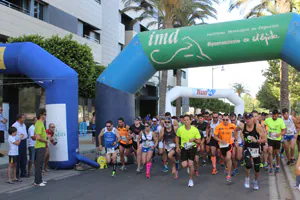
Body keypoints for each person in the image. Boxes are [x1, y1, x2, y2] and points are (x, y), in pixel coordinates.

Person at [236, 113, 266, 190]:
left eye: (249, 118)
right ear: (245, 119)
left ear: (252, 119)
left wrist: (256, 140)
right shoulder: (243, 126)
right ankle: (247, 179)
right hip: (247, 148)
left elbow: (264, 139)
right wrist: (237, 139)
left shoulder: (257, 127)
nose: (248, 120)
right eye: (246, 118)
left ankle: (255, 181)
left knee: (257, 168)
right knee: (248, 164)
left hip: (256, 149)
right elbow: (235, 130)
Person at [176, 115, 201, 187]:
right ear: (183, 121)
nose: (186, 121)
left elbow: (199, 141)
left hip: (192, 148)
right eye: (185, 120)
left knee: (190, 164)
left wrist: (194, 140)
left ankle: (191, 180)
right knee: (184, 165)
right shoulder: (180, 129)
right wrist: (177, 146)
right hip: (184, 148)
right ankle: (188, 167)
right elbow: (177, 137)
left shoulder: (195, 129)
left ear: (190, 121)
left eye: (187, 120)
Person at [214, 113, 236, 184]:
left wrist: (235, 138)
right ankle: (226, 167)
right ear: (222, 119)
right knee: (225, 158)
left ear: (229, 119)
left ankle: (229, 176)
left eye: (227, 120)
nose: (225, 121)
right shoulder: (218, 126)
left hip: (229, 144)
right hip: (222, 145)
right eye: (224, 120)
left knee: (229, 157)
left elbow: (237, 130)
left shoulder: (232, 125)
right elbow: (215, 136)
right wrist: (220, 141)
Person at [264, 110, 286, 174]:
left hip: (277, 139)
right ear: (272, 115)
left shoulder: (280, 121)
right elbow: (263, 125)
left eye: (275, 116)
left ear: (278, 115)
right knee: (270, 151)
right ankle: (271, 166)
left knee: (277, 153)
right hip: (270, 138)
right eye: (273, 116)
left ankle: (278, 166)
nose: (274, 117)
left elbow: (284, 130)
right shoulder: (268, 120)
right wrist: (265, 131)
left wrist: (280, 134)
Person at [34, 108, 48, 187]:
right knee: (39, 164)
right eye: (45, 114)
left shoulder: (40, 123)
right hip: (40, 147)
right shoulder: (39, 123)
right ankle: (38, 181)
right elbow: (38, 137)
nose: (46, 116)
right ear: (41, 115)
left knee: (40, 164)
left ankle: (39, 180)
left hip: (40, 146)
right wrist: (46, 141)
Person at [12, 114, 28, 178]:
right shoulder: (15, 125)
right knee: (18, 158)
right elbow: (13, 136)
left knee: (24, 158)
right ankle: (17, 174)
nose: (24, 119)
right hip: (18, 142)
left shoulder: (23, 125)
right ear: (19, 119)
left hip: (24, 141)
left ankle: (23, 172)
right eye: (23, 118)